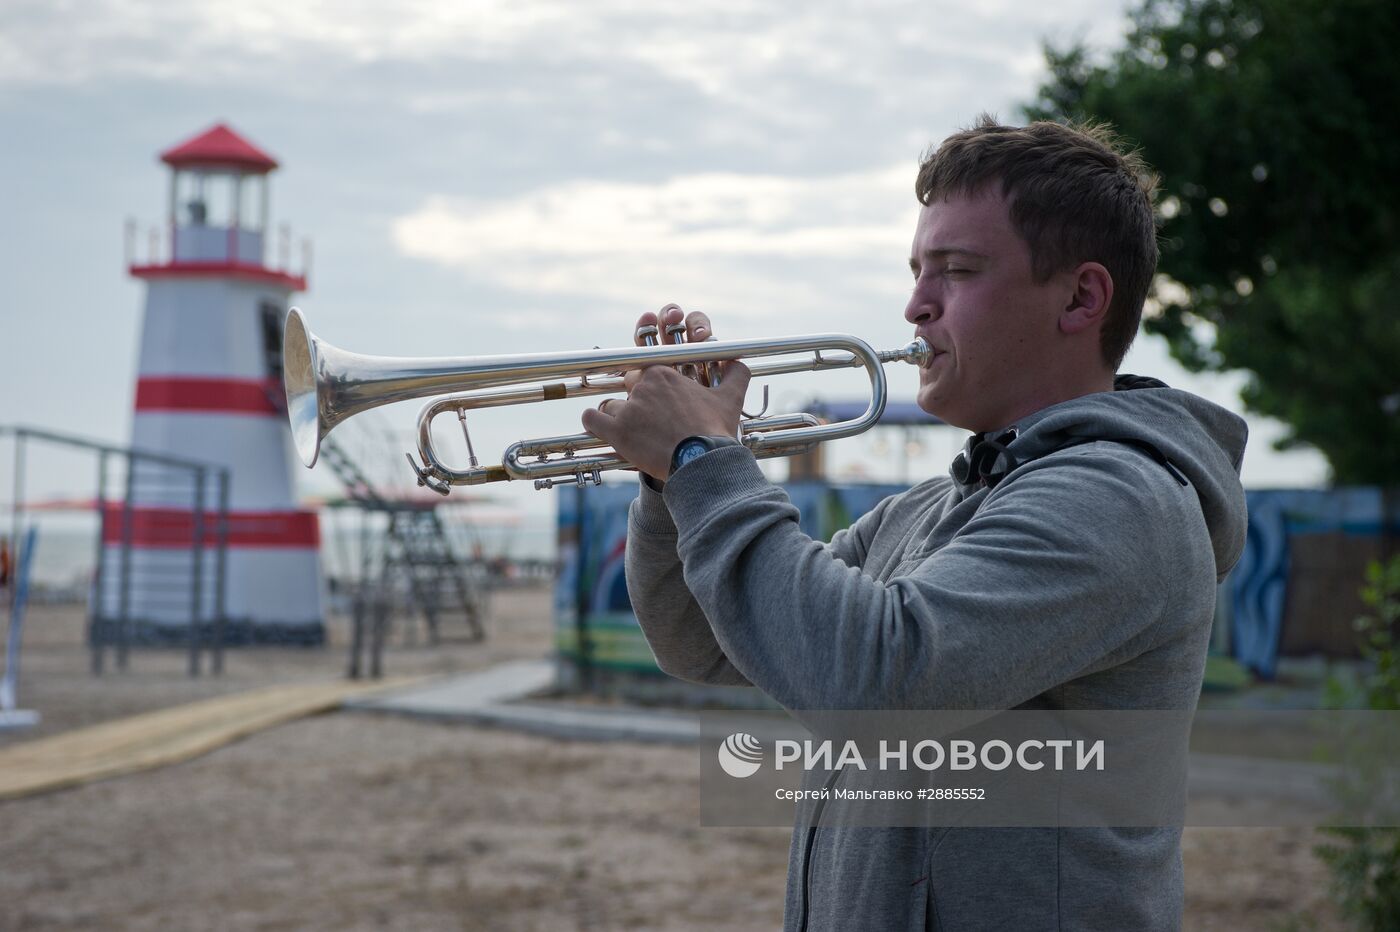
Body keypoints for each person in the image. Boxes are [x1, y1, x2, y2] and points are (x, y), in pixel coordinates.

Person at [581, 116, 1248, 931]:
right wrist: (667, 482)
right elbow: (703, 643)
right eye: (917, 270)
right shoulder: (931, 511)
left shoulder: (1120, 500)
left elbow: (876, 684)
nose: (915, 304)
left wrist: (701, 456)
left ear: (1081, 297)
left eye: (957, 272)